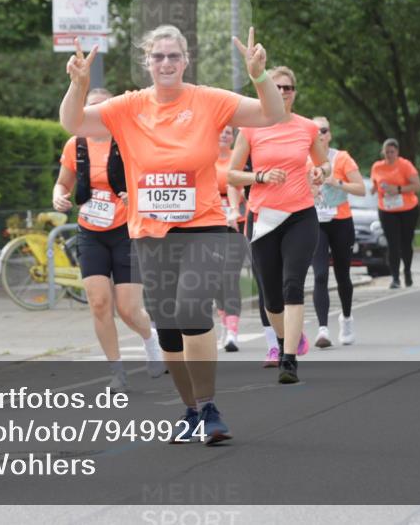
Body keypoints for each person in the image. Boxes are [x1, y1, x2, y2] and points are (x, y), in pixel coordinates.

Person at [60, 25, 285, 443]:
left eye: (174, 56)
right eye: (158, 56)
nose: (166, 63)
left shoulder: (208, 100)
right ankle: (191, 410)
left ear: (186, 60)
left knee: (192, 308)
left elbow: (271, 114)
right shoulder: (128, 106)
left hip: (203, 225)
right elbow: (73, 122)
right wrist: (78, 85)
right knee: (167, 325)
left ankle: (210, 407)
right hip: (150, 232)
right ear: (147, 61)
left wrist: (259, 75)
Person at [53, 87, 164, 389]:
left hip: (126, 231)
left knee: (128, 309)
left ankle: (149, 338)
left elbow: (154, 179)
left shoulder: (130, 140)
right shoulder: (76, 144)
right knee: (99, 303)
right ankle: (117, 370)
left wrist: (136, 197)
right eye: (91, 107)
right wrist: (58, 196)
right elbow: (62, 183)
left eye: (103, 108)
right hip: (90, 232)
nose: (97, 114)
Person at [228, 67, 328, 384]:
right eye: (277, 86)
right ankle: (289, 338)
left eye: (288, 87)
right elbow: (231, 174)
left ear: (294, 92)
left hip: (300, 215)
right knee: (271, 298)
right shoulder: (251, 128)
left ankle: (289, 359)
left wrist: (320, 173)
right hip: (263, 218)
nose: (283, 92)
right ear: (265, 90)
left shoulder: (307, 127)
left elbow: (323, 163)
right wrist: (260, 176)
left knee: (292, 285)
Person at [308, 116, 366, 348]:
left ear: (329, 134)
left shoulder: (341, 158)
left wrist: (337, 182)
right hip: (316, 223)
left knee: (343, 275)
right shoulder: (304, 160)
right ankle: (323, 329)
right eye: (315, 130)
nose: (320, 134)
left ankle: (347, 318)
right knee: (320, 275)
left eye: (323, 130)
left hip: (341, 222)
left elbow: (361, 189)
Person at [370, 138, 420, 289]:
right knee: (392, 244)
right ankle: (395, 277)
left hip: (407, 209)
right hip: (387, 210)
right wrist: (373, 189)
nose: (389, 155)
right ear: (383, 152)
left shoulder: (405, 165)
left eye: (392, 152)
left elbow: (417, 186)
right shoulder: (377, 166)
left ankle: (407, 271)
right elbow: (375, 183)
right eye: (387, 152)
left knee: (406, 243)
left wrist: (398, 189)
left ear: (397, 152)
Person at [214, 125, 246, 352]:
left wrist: (235, 204)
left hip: (237, 223)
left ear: (233, 137)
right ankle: (224, 326)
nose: (224, 134)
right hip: (211, 224)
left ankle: (233, 331)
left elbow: (243, 185)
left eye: (228, 132)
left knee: (230, 276)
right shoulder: (206, 158)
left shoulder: (238, 157)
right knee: (216, 279)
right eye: (221, 131)